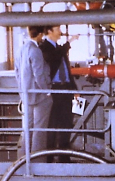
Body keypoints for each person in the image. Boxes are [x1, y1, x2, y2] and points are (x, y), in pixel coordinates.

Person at [40, 25, 79, 163]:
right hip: (54, 91)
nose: (60, 31)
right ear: (49, 31)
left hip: (66, 90)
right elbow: (53, 58)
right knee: (52, 125)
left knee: (66, 123)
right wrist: (68, 44)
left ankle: (64, 156)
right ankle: (49, 157)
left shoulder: (58, 48)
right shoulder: (44, 47)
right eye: (57, 28)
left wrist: (74, 89)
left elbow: (66, 70)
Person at [15, 26, 52, 156]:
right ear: (40, 34)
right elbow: (39, 75)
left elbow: (17, 73)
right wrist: (47, 91)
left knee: (27, 128)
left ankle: (23, 159)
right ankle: (38, 160)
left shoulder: (21, 49)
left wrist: (22, 92)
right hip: (39, 96)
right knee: (39, 129)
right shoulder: (35, 51)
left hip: (26, 95)